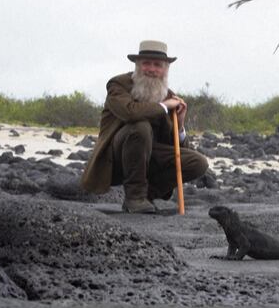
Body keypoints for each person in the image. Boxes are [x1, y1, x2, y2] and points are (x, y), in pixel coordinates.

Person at [81, 40, 209, 213]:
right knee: (140, 127)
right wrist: (164, 106)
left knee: (198, 162)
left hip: (150, 157)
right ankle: (135, 198)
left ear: (165, 69)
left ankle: (147, 195)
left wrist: (180, 124)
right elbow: (130, 113)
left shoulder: (169, 96)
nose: (152, 69)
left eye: (158, 65)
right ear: (137, 65)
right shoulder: (118, 85)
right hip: (116, 158)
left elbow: (178, 149)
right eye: (146, 63)